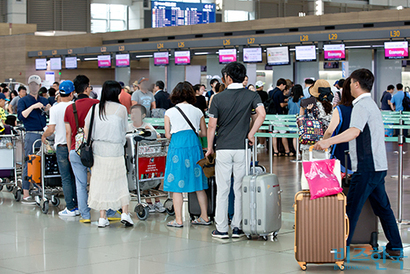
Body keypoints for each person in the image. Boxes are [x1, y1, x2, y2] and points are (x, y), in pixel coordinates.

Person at [314, 69, 403, 260]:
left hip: (366, 167)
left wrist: (327, 142)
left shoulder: (361, 106)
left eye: (351, 83)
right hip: (378, 166)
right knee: (383, 208)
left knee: (351, 209)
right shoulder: (371, 105)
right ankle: (395, 246)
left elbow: (354, 132)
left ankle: (339, 250)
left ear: (356, 84)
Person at [206, 62, 266, 239]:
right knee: (240, 189)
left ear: (228, 77)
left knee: (223, 189)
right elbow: (261, 114)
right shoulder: (251, 95)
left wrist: (210, 147)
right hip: (242, 148)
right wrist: (251, 133)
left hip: (223, 148)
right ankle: (238, 227)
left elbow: (211, 126)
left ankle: (222, 229)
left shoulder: (217, 98)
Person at [64, 75, 120, 223]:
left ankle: (85, 215)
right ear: (87, 88)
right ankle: (110, 211)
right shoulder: (96, 104)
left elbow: (68, 133)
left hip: (76, 149)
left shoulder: (70, 108)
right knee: (101, 181)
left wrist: (71, 151)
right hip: (94, 150)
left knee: (81, 184)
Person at [84, 81, 133, 228]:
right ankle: (124, 213)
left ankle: (102, 217)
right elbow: (125, 129)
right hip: (116, 150)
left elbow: (87, 130)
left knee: (100, 182)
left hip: (98, 150)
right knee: (119, 181)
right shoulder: (121, 109)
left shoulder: (94, 109)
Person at [163, 82, 209, 227]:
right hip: (194, 146)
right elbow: (204, 132)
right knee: (198, 183)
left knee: (176, 183)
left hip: (177, 146)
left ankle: (178, 220)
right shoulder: (197, 111)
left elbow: (167, 135)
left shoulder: (170, 112)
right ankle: (205, 217)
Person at [41, 80, 78, 217]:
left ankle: (70, 207)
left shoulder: (55, 108)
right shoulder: (75, 106)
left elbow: (51, 129)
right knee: (77, 178)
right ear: (72, 92)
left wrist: (44, 136)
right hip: (75, 146)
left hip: (62, 147)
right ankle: (79, 206)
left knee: (66, 178)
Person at [17, 75, 51, 204]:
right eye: (31, 84)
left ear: (39, 86)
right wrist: (33, 107)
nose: (33, 86)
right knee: (29, 161)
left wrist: (48, 109)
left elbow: (51, 113)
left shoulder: (44, 100)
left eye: (36, 84)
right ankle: (26, 192)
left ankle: (41, 187)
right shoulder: (23, 100)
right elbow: (21, 116)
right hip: (31, 133)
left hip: (43, 133)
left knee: (43, 161)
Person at [128, 104, 166, 213]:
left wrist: (151, 132)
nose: (134, 115)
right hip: (135, 160)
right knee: (142, 180)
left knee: (152, 178)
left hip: (149, 158)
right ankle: (148, 202)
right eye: (132, 113)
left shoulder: (147, 125)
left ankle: (157, 201)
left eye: (137, 113)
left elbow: (158, 137)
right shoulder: (128, 127)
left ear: (143, 115)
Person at [322, 78, 353, 173]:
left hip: (341, 149)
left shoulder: (340, 109)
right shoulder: (363, 108)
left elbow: (330, 130)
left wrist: (324, 142)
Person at [300, 79, 333, 160]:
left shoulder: (311, 107)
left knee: (309, 171)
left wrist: (303, 110)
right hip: (326, 145)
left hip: (310, 146)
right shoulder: (333, 108)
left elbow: (301, 125)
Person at [269, 78, 291, 156]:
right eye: (284, 86)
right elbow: (281, 105)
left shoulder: (271, 92)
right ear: (281, 85)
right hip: (278, 115)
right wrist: (287, 103)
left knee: (274, 134)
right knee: (283, 133)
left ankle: (275, 151)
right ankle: (287, 151)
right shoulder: (280, 93)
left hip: (271, 115)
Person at [288, 84, 305, 152]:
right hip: (302, 121)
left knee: (295, 137)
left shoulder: (290, 100)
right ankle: (302, 152)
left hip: (292, 121)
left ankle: (297, 153)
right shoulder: (304, 100)